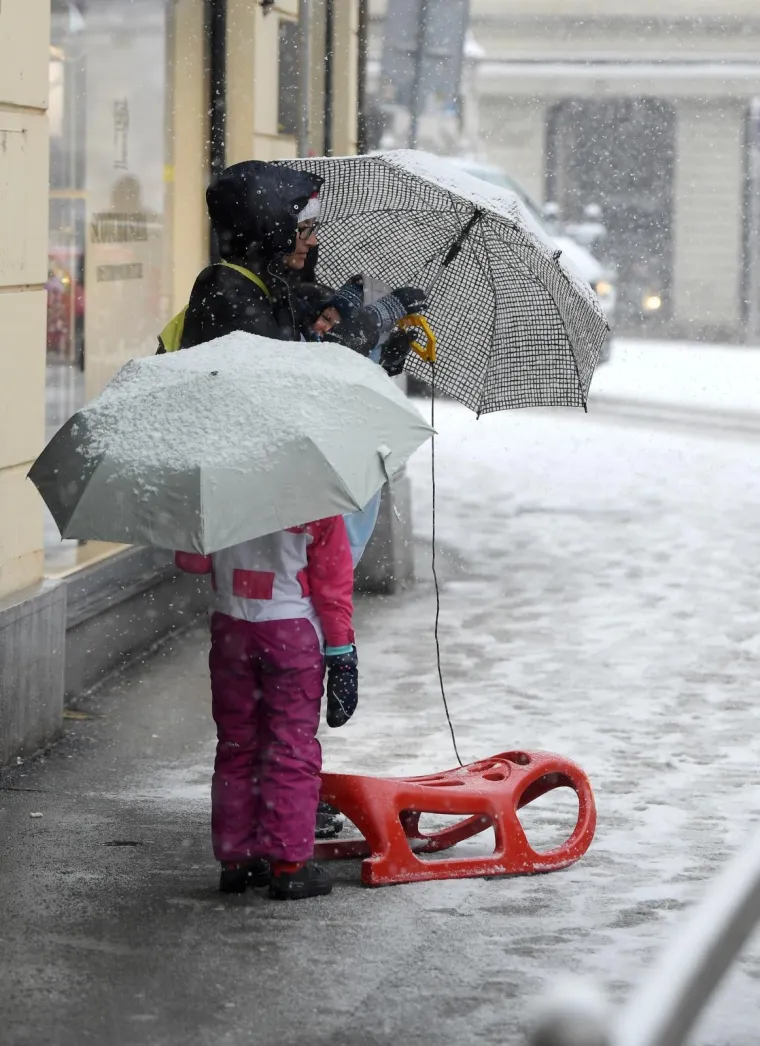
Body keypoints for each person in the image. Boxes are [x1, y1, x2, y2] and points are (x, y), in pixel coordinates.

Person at [175, 515, 359, 901]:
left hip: (231, 629)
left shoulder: (216, 491)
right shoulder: (315, 498)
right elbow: (332, 581)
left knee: (236, 746)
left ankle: (237, 860)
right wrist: (342, 654)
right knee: (290, 749)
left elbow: (192, 561)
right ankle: (290, 865)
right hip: (290, 631)